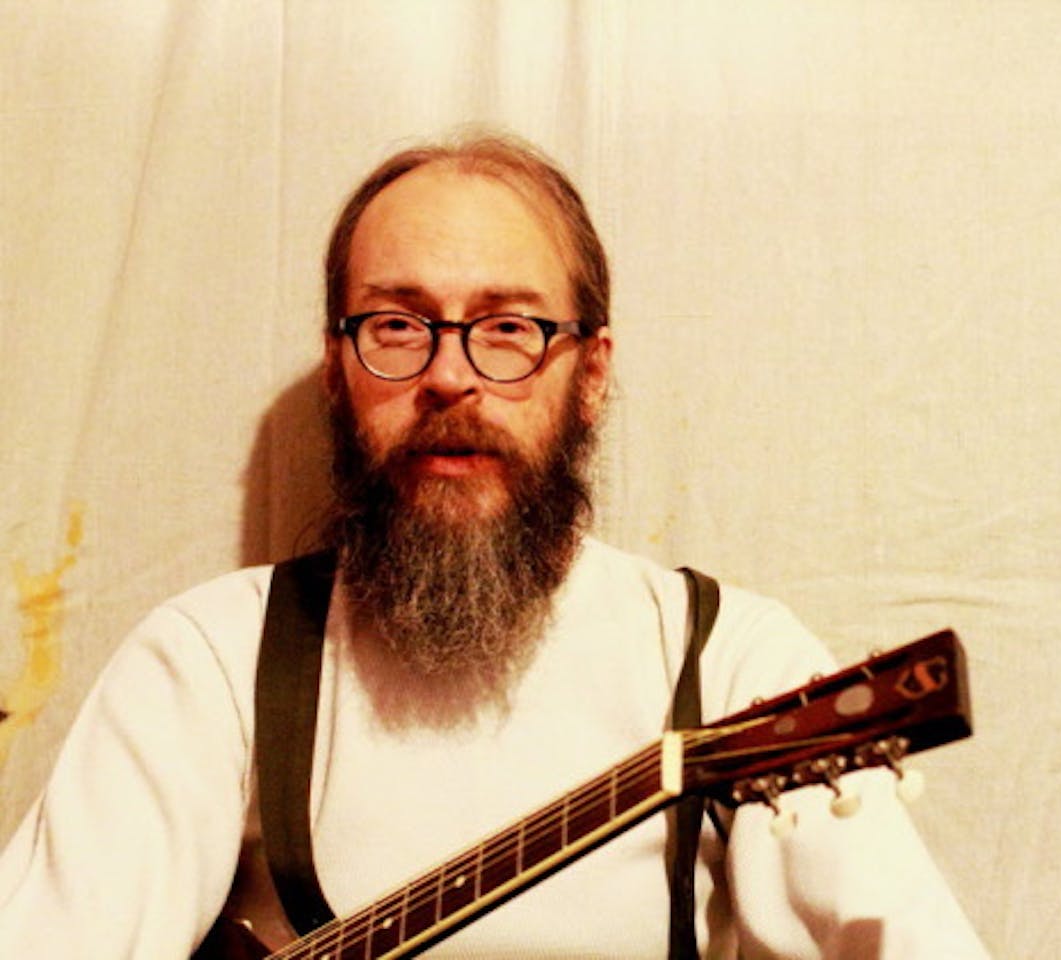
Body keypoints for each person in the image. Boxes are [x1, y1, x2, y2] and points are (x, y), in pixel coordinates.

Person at [0, 131, 989, 958]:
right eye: (398, 323)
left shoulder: (731, 662)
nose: (449, 377)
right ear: (340, 369)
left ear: (590, 374)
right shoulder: (212, 660)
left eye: (507, 327)